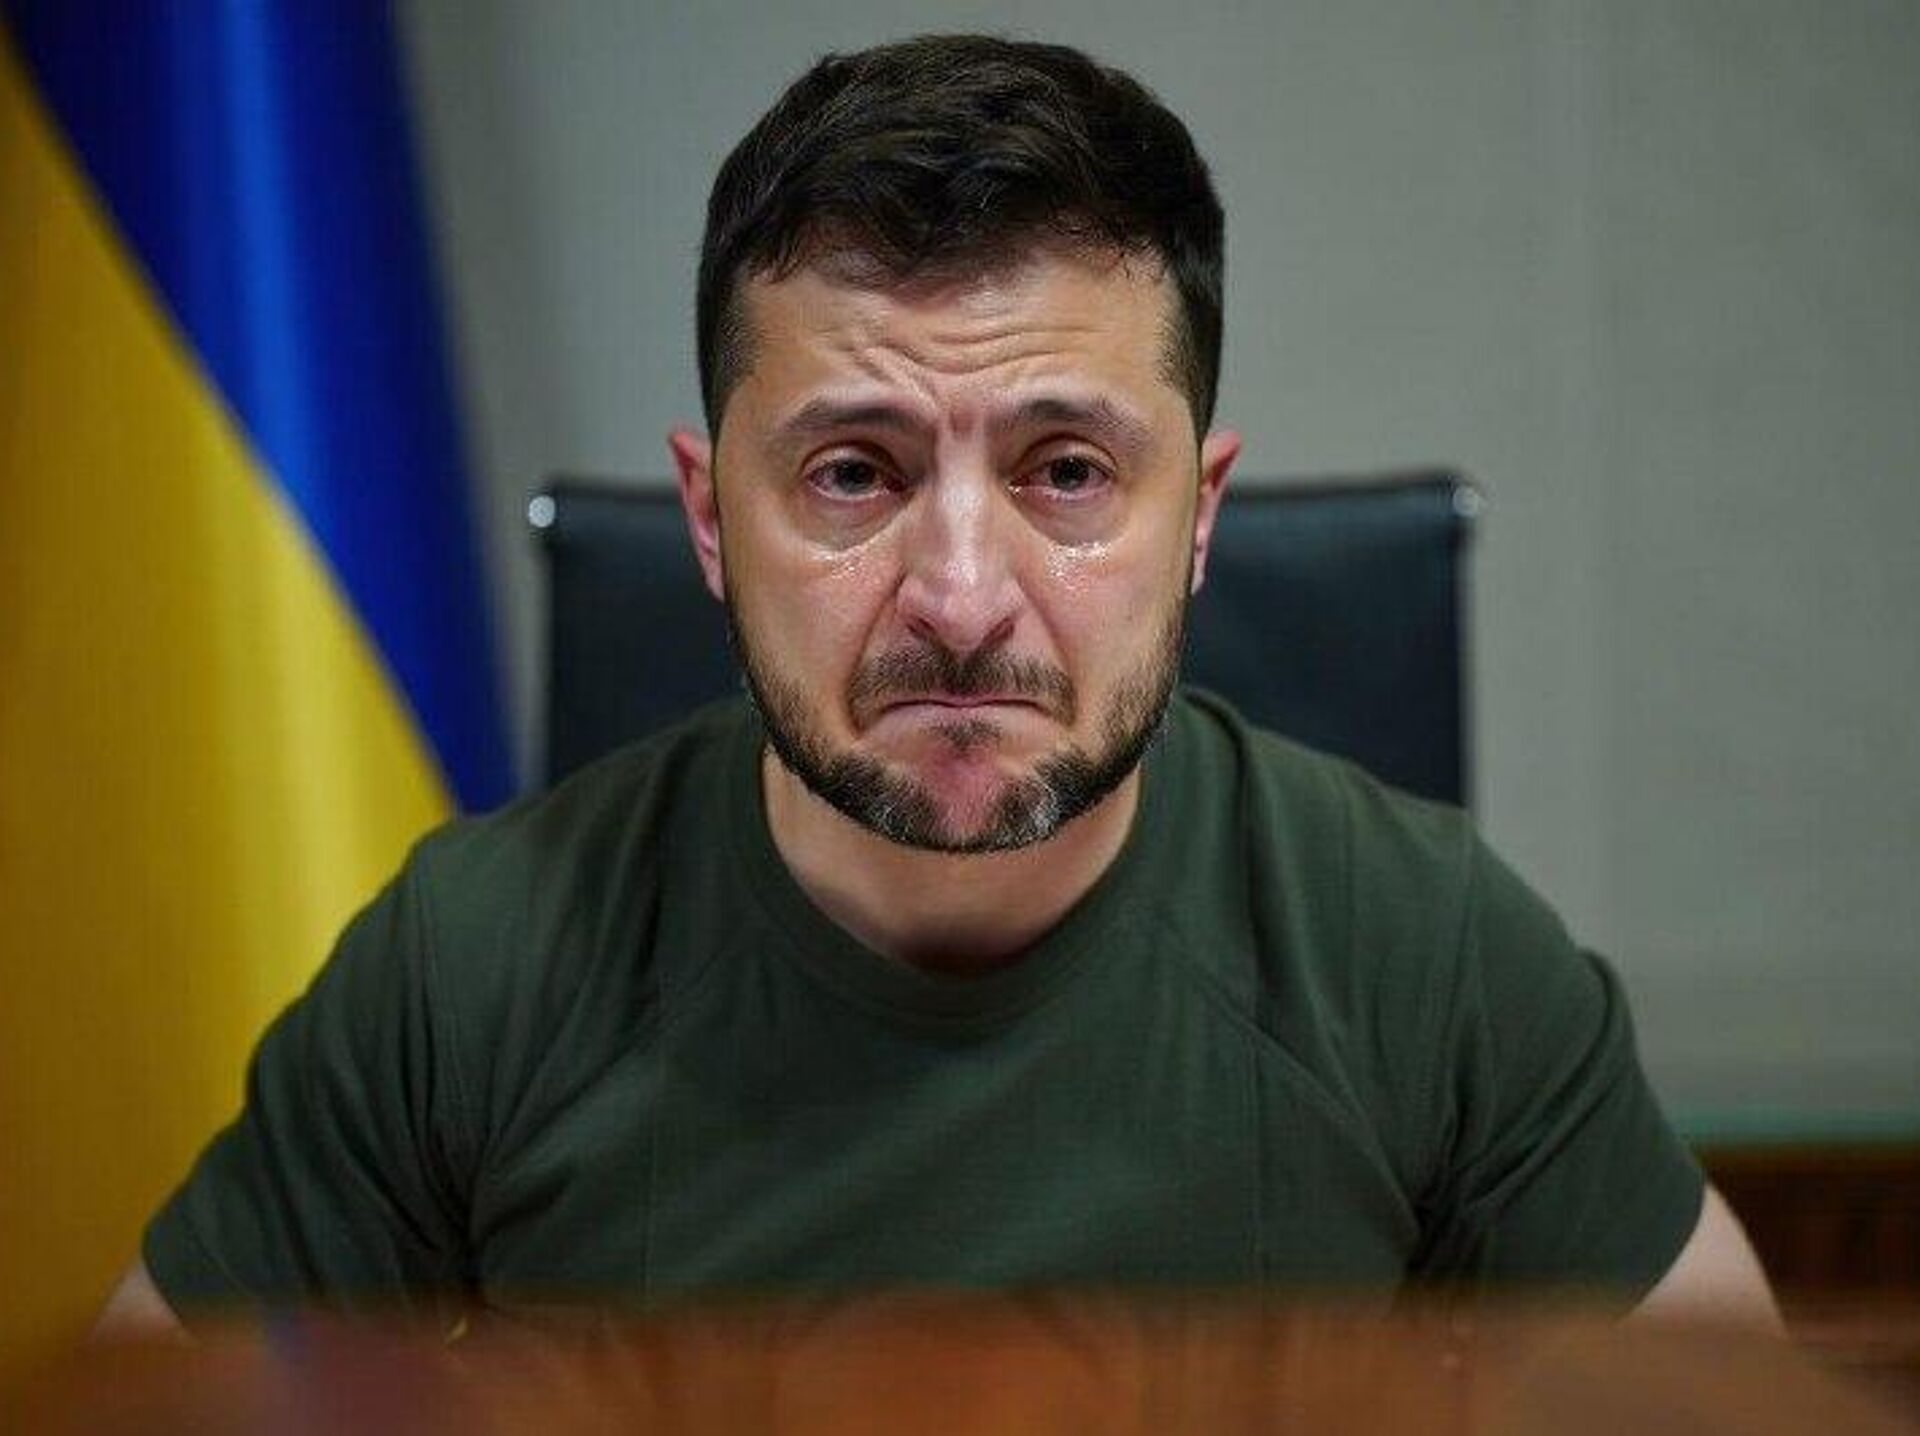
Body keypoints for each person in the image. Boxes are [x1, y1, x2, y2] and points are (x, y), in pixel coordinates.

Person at [100, 33, 1777, 1336]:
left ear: (1198, 518)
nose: (963, 599)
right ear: (709, 518)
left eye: (1067, 472)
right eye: (852, 473)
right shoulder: (466, 968)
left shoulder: (1430, 957)